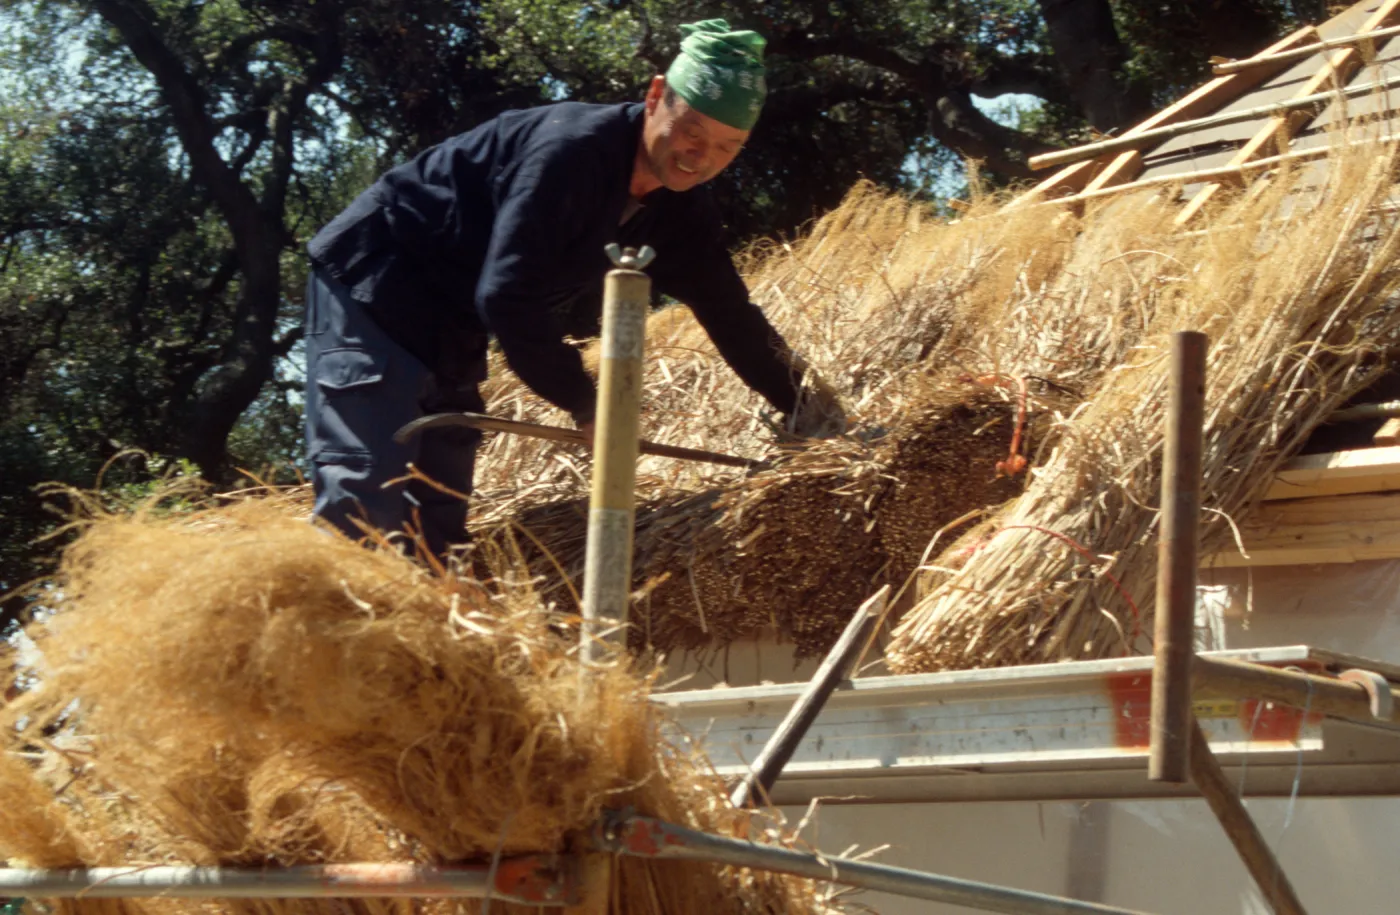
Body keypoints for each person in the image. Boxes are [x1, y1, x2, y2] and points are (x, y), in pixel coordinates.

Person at [303, 18, 845, 559]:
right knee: (366, 506)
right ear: (656, 95)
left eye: (728, 147)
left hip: (456, 321)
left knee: (438, 526)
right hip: (378, 283)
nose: (700, 157)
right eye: (693, 132)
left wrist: (808, 407)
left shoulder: (681, 211)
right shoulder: (571, 153)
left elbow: (731, 314)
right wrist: (587, 403)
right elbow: (508, 295)